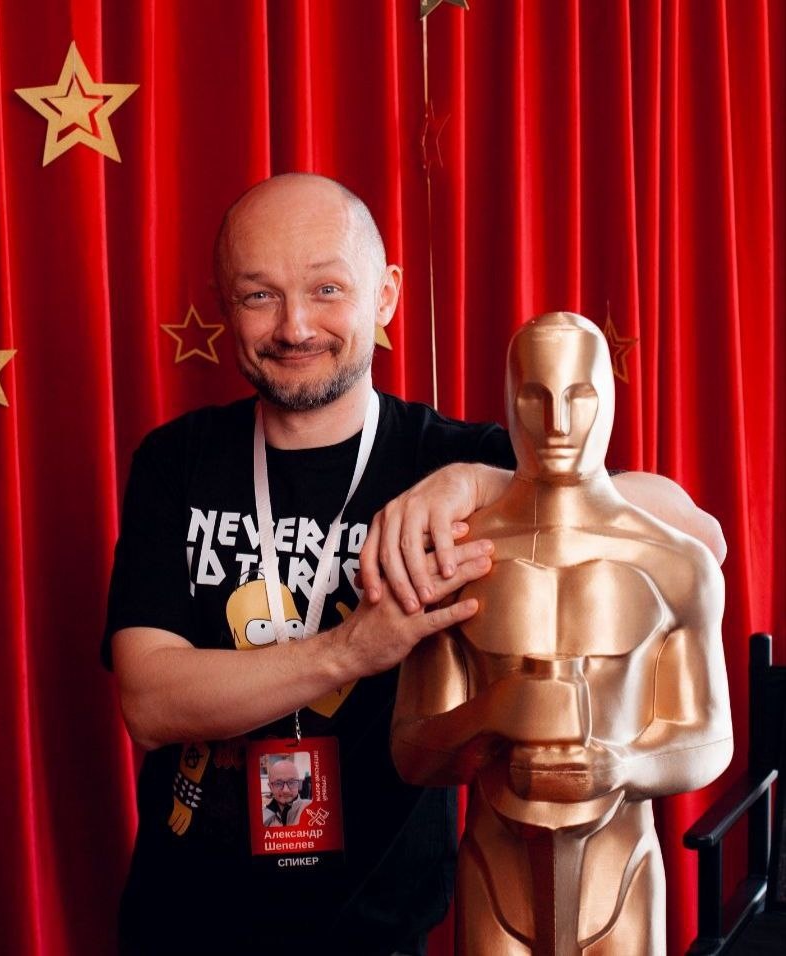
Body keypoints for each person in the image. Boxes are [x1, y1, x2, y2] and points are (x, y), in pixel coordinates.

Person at [103, 173, 725, 955]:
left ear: (387, 295)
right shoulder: (178, 459)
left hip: (384, 927)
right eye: (260, 295)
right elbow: (150, 701)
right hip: (185, 921)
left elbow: (695, 534)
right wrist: (350, 650)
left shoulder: (457, 462)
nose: (295, 326)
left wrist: (481, 482)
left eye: (327, 288)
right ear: (225, 304)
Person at [391, 314, 732, 954]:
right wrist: (491, 715)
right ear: (508, 399)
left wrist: (622, 764)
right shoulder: (458, 560)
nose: (556, 423)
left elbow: (711, 739)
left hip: (622, 871)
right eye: (535, 397)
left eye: (579, 396)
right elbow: (412, 753)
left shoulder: (675, 562)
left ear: (609, 401)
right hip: (493, 871)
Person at [262, 759, 312, 827]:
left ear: (298, 784)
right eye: (278, 783)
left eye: (292, 782)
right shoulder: (263, 818)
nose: (286, 790)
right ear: (270, 787)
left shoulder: (312, 808)